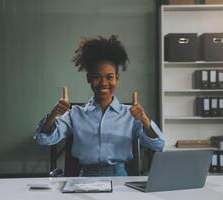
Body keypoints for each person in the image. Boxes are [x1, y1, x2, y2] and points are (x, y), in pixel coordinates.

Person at [35, 35, 165, 176]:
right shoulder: (75, 114)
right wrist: (55, 113)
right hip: (84, 179)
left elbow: (158, 144)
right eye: (97, 77)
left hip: (119, 180)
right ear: (89, 78)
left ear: (117, 79)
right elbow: (44, 139)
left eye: (109, 77)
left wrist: (144, 119)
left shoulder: (131, 114)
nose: (103, 83)